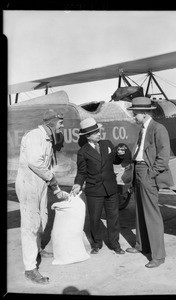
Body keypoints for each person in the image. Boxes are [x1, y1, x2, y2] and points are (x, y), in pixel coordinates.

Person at [15, 109, 70, 284]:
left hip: (40, 183)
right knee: (30, 224)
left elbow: (46, 165)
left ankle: (37, 249)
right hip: (28, 184)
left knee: (42, 219)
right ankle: (30, 268)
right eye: (60, 123)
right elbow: (35, 162)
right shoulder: (35, 136)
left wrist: (54, 188)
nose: (62, 126)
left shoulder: (47, 138)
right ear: (51, 123)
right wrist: (53, 181)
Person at [126, 97, 174, 268]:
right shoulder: (143, 129)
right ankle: (141, 245)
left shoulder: (158, 128)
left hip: (147, 172)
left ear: (145, 113)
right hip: (138, 171)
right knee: (140, 211)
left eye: (135, 113)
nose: (134, 116)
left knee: (152, 214)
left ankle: (158, 256)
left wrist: (150, 174)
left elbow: (163, 156)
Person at [71, 117, 126, 255]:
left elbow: (115, 159)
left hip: (111, 188)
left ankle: (115, 244)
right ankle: (96, 244)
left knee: (113, 218)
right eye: (95, 132)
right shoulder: (83, 152)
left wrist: (120, 155)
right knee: (95, 219)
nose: (99, 134)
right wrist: (77, 184)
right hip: (94, 190)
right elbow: (82, 172)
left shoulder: (106, 144)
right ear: (88, 136)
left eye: (98, 131)